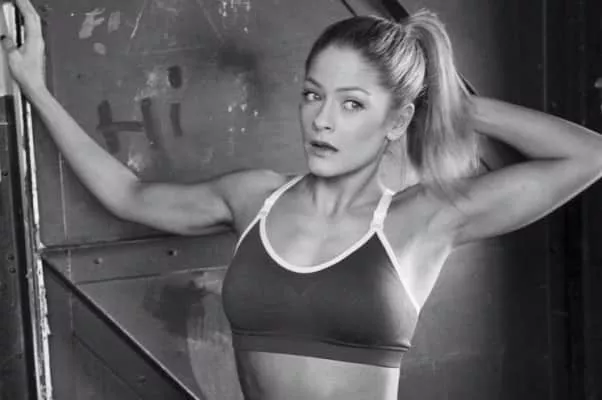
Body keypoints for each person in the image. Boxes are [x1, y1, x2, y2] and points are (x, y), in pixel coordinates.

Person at [3, 0, 602, 399]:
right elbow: (128, 194)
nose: (323, 120)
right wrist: (34, 87)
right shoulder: (254, 199)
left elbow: (587, 157)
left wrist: (457, 106)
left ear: (397, 122)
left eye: (353, 104)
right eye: (314, 95)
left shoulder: (422, 218)